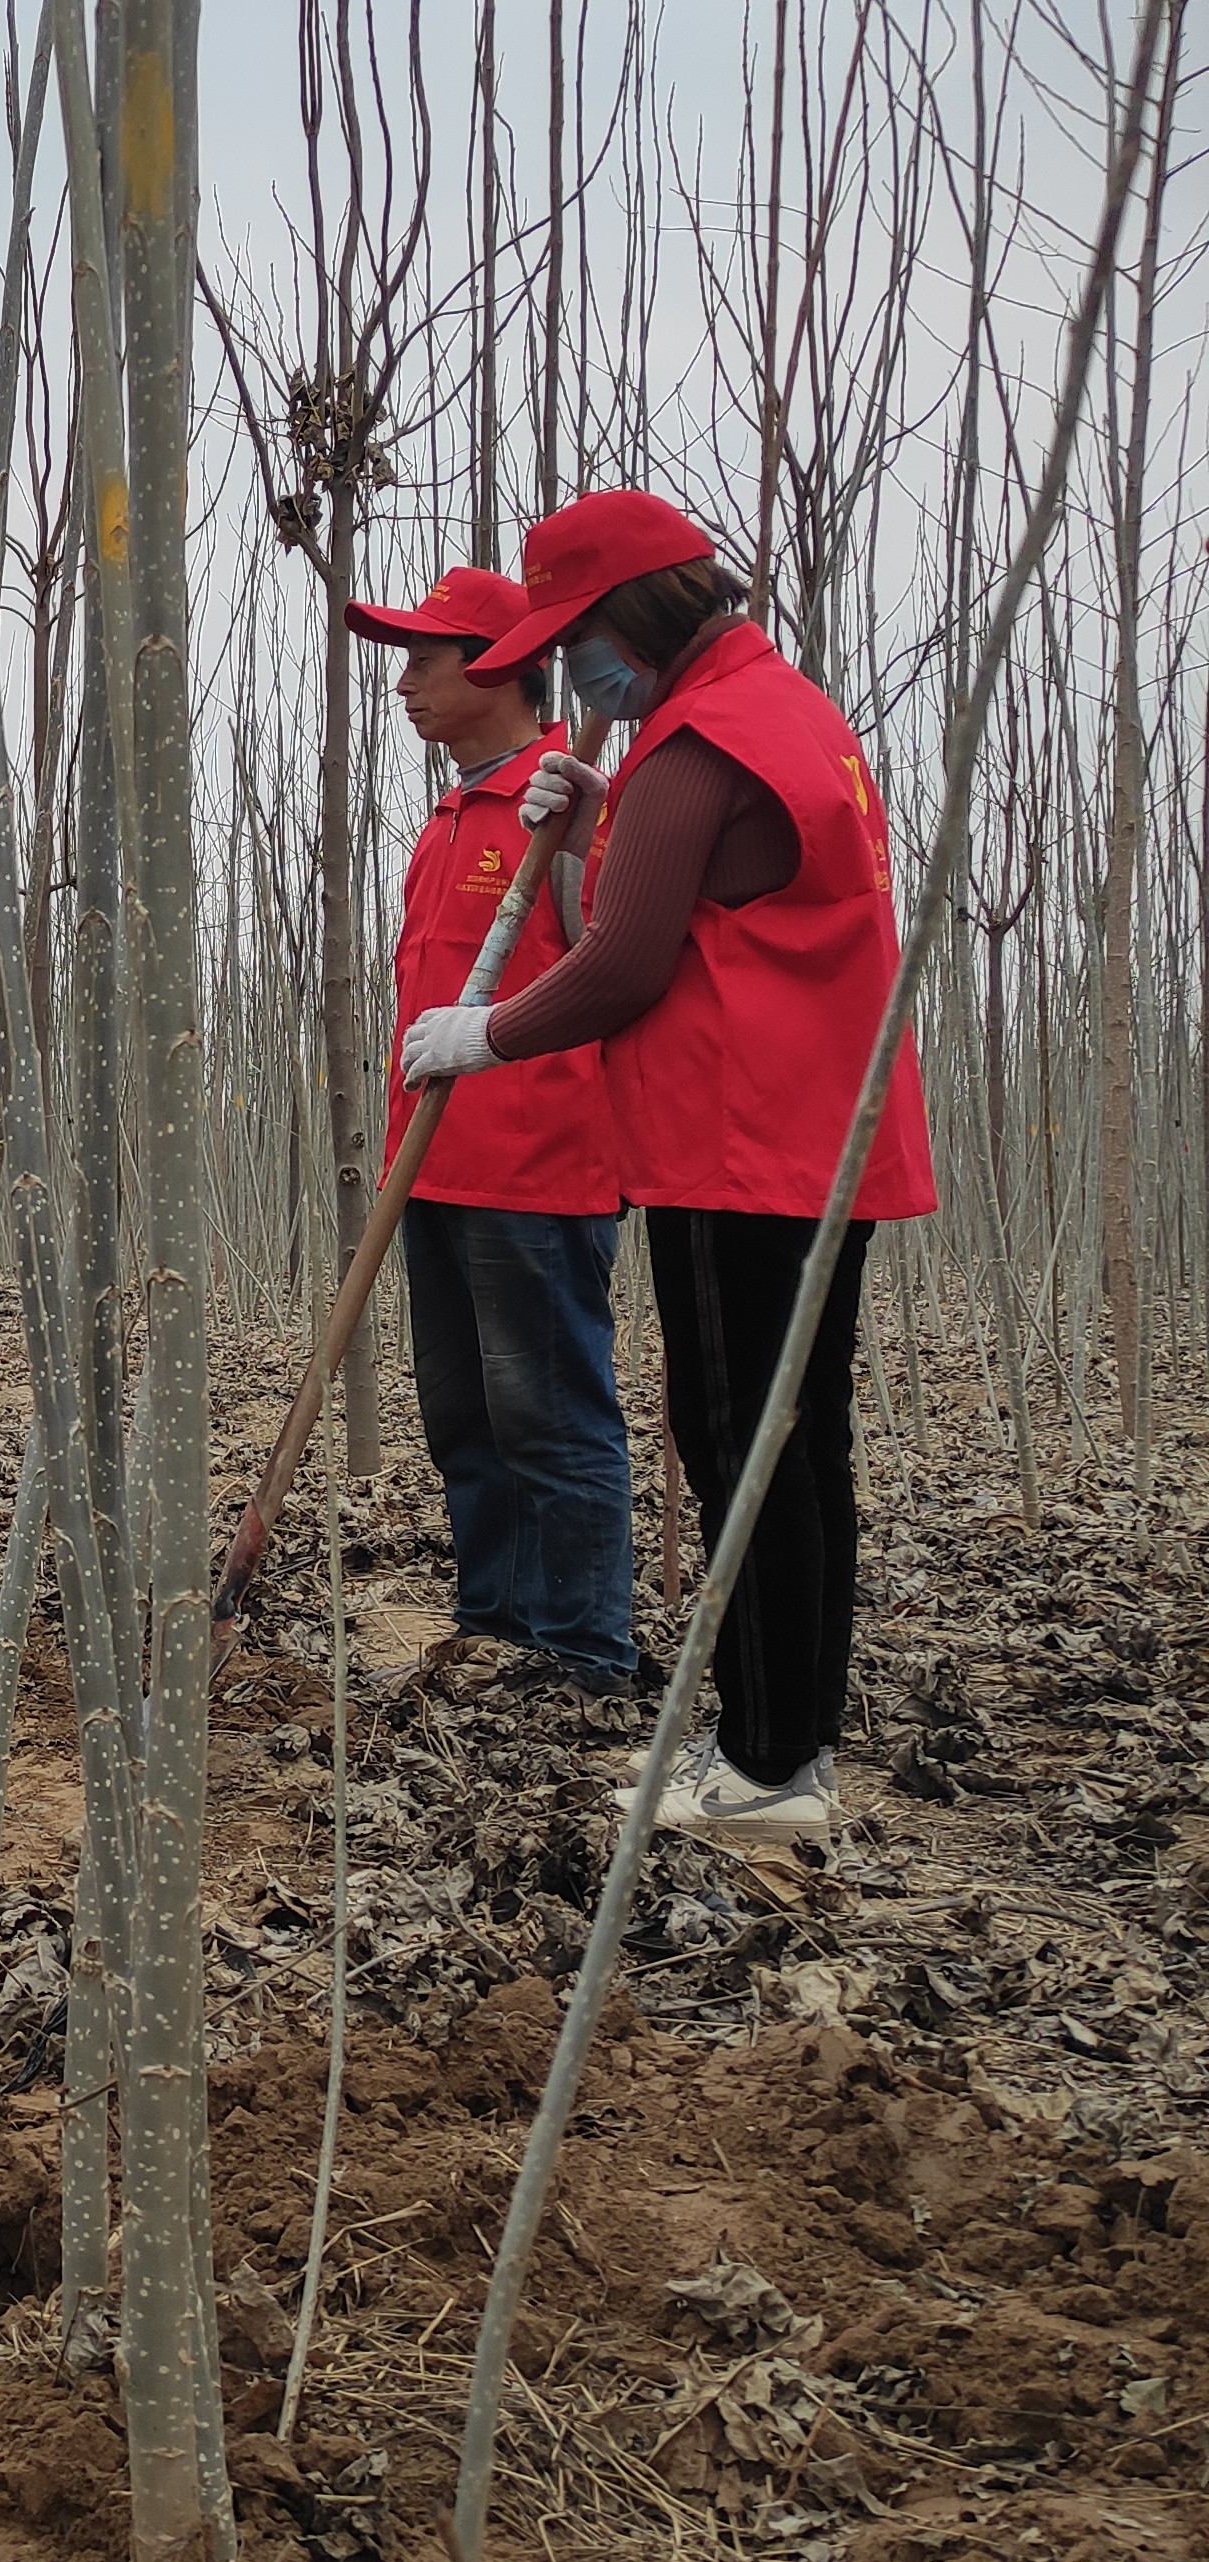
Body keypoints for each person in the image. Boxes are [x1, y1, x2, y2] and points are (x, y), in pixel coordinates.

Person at [402, 490, 934, 1849]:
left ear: (639, 609)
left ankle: (760, 1766)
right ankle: (786, 1740)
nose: (576, 667)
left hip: (740, 1140)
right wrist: (602, 823)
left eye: (581, 634)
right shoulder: (775, 713)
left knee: (741, 1446)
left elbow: (630, 961)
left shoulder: (703, 737)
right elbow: (706, 892)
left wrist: (487, 1033)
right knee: (797, 1447)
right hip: (815, 1135)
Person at [348, 561, 634, 1698]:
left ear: (501, 667)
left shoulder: (564, 805)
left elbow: (624, 955)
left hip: (539, 1169)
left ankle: (578, 1651)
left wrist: (583, 839)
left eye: (426, 658)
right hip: (432, 1168)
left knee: (548, 1416)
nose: (403, 682)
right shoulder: (447, 816)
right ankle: (495, 1624)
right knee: (463, 1416)